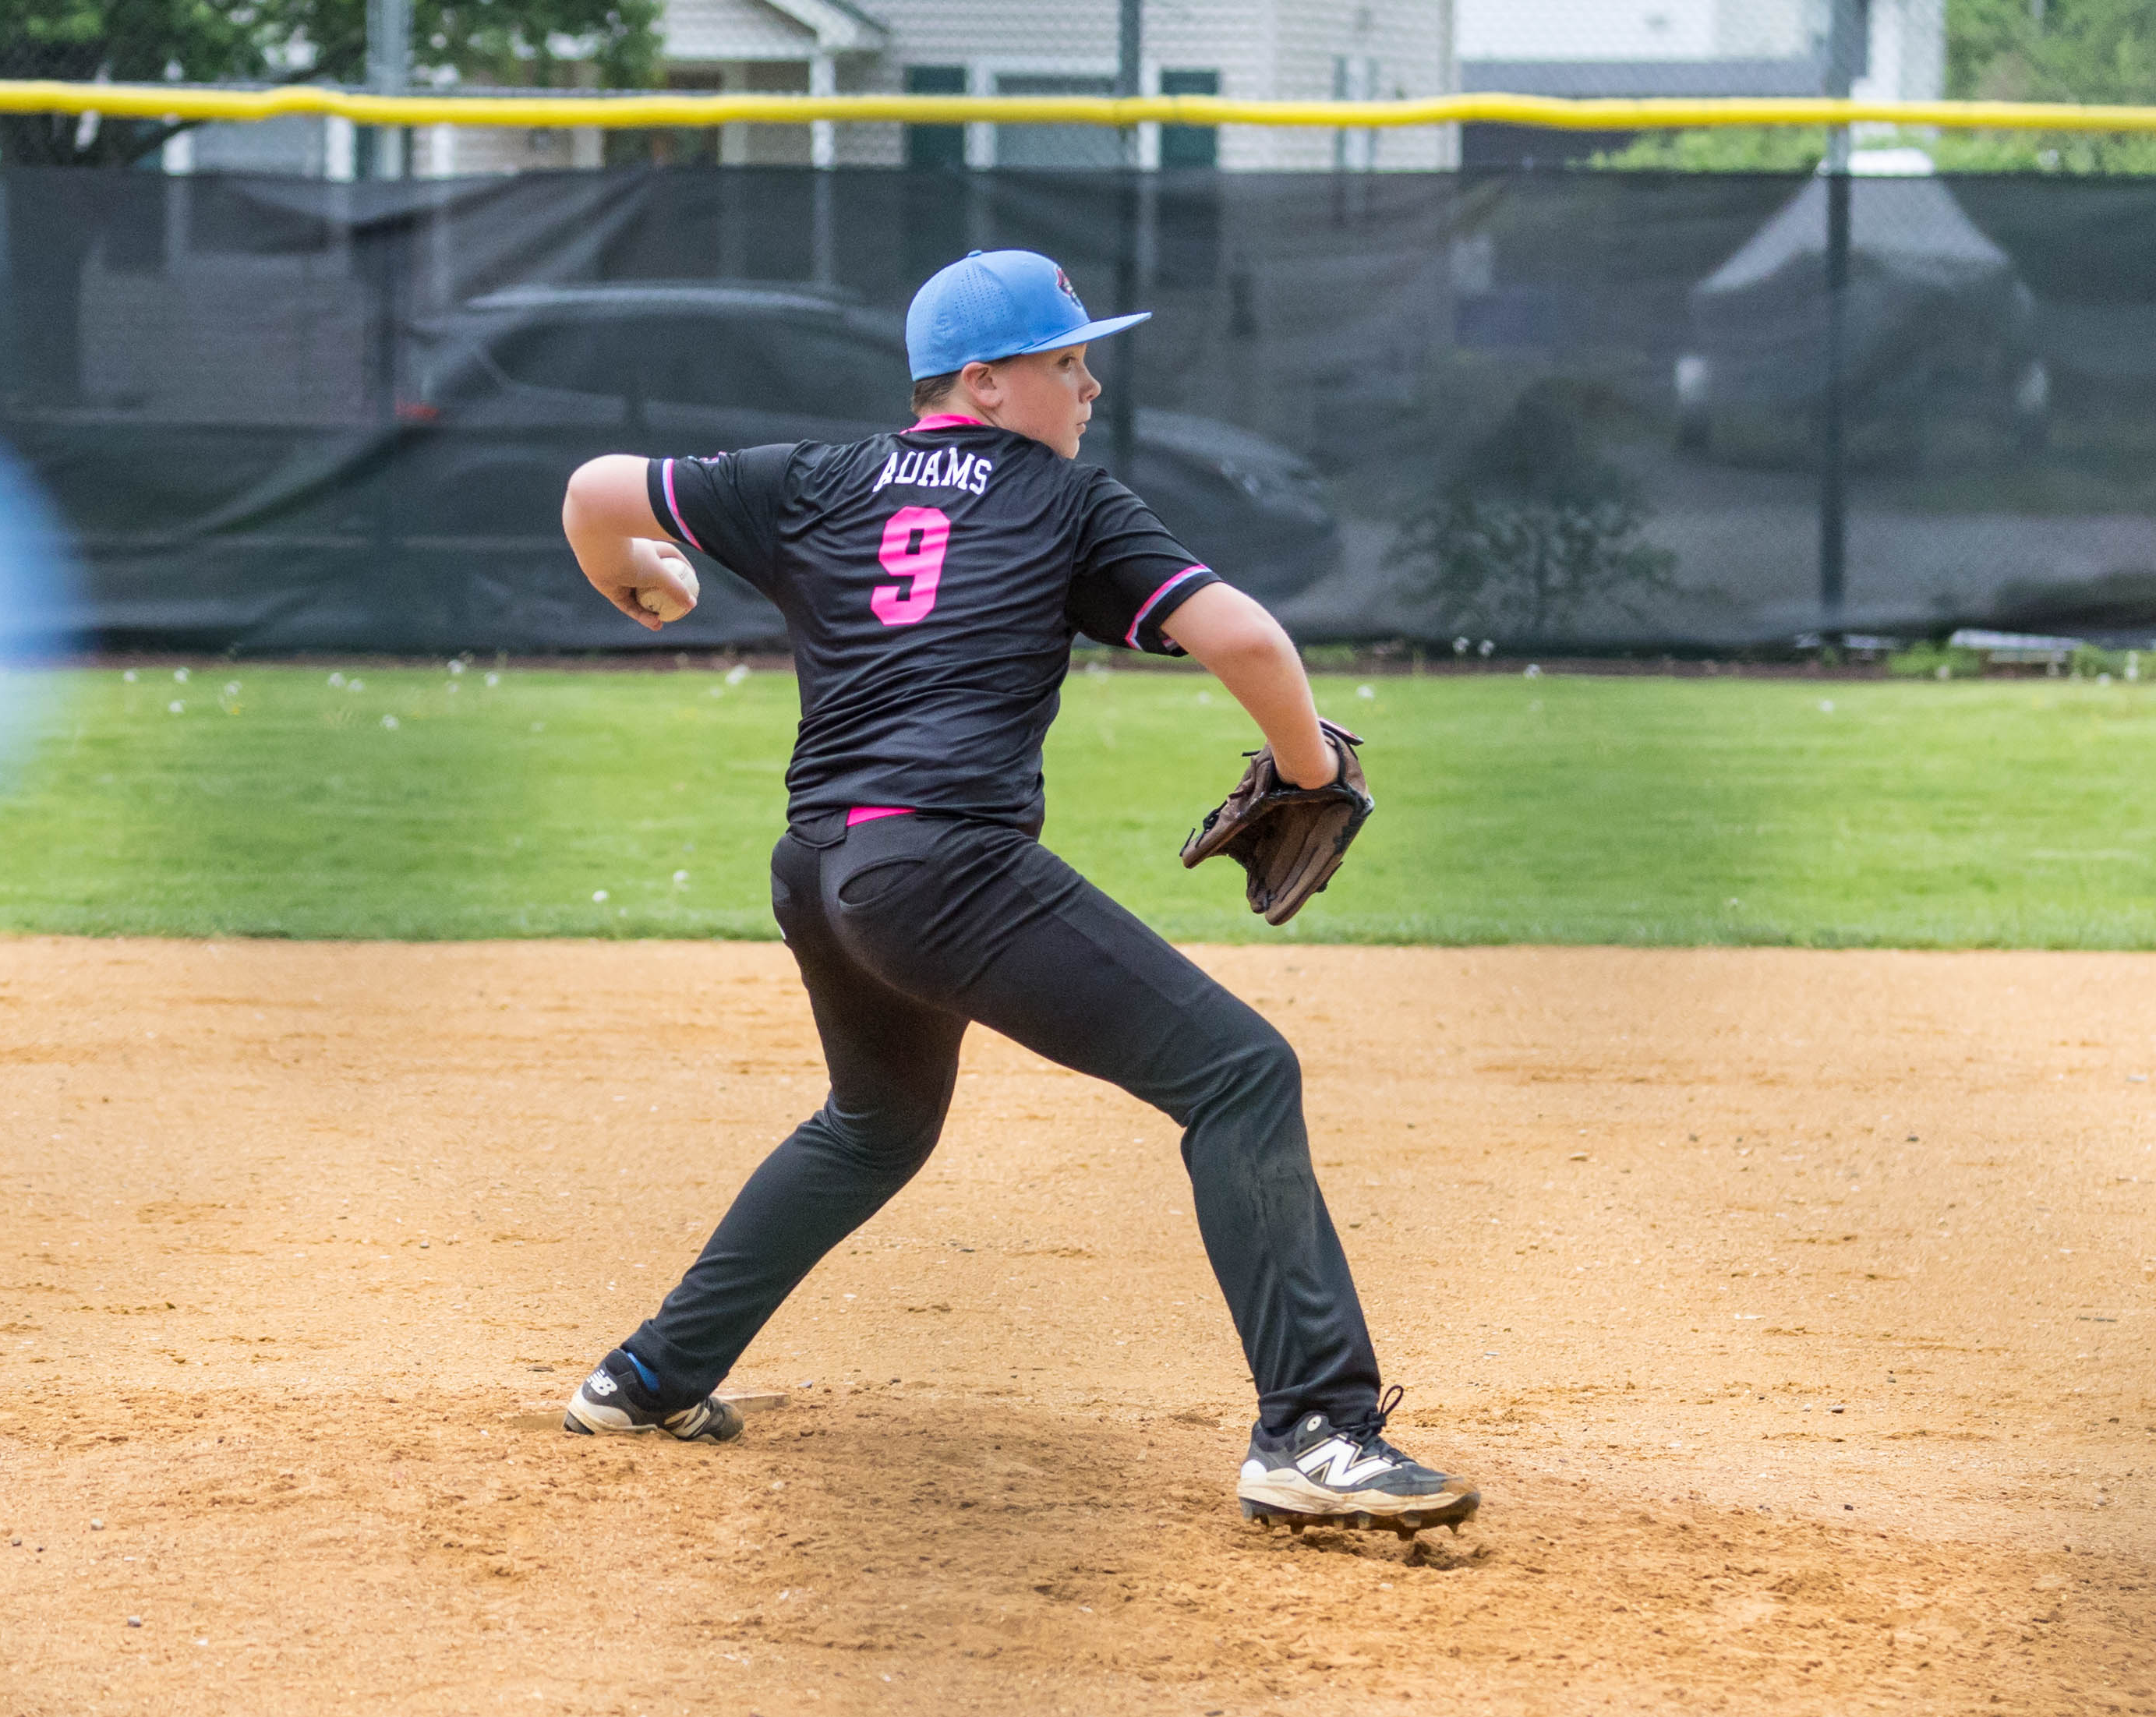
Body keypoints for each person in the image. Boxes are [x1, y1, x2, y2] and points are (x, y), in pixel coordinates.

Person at [553, 249, 1478, 1534]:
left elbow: (595, 490)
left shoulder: (815, 477)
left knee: (877, 1122)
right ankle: (1316, 1431)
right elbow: (1246, 636)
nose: (1090, 385)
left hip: (820, 867)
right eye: (1066, 361)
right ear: (983, 383)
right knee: (1239, 1075)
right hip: (944, 867)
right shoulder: (1067, 500)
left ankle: (648, 1378)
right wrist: (1312, 770)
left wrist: (639, 578)